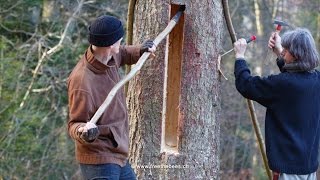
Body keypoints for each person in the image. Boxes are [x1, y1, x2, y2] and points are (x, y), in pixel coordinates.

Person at [67, 15, 155, 180]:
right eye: (119, 41)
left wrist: (140, 50)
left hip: (118, 154)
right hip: (99, 160)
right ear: (109, 44)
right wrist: (83, 132)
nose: (120, 43)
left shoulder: (108, 55)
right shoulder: (82, 81)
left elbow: (122, 53)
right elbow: (74, 124)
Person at [233, 28, 320, 179]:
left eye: (287, 50)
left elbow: (246, 85)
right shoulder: (316, 79)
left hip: (288, 171)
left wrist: (240, 57)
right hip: (309, 169)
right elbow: (295, 78)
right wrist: (280, 52)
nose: (283, 52)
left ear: (297, 55)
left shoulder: (283, 85)